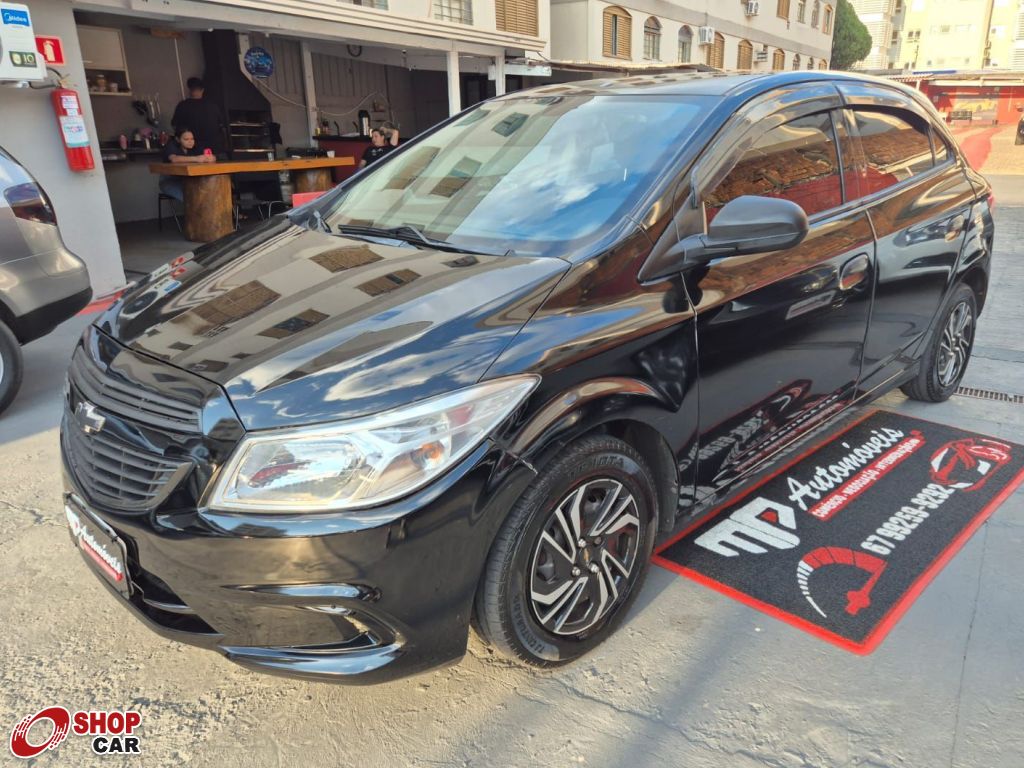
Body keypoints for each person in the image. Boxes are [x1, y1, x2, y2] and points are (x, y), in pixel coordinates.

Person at [171, 77, 227, 157]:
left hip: (193, 151)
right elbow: (222, 126)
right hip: (215, 149)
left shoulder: (182, 106)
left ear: (190, 90)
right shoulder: (213, 106)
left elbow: (175, 126)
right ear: (202, 90)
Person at [159, 128, 215, 202]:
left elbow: (210, 156)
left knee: (208, 193)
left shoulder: (195, 147)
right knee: (191, 197)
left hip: (189, 180)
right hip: (170, 181)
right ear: (178, 139)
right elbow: (174, 159)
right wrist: (196, 158)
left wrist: (211, 158)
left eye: (192, 139)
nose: (190, 142)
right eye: (186, 139)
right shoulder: (171, 145)